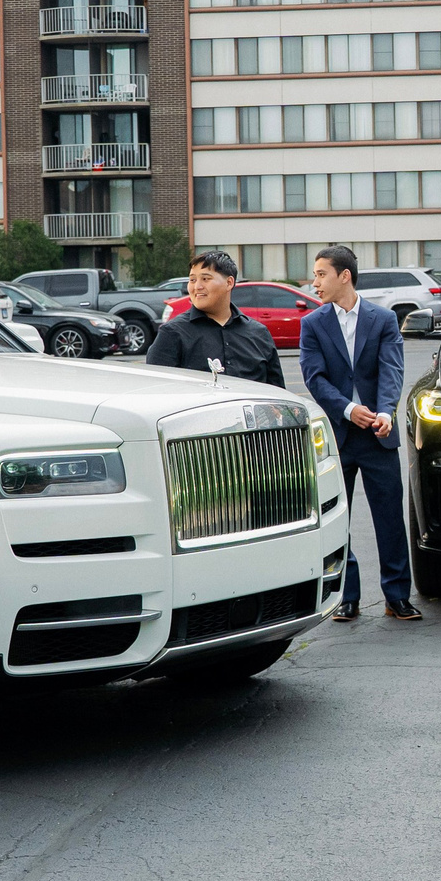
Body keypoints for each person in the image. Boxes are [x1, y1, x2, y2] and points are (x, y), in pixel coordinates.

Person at [300, 245, 419, 621]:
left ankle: (397, 595)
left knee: (389, 519)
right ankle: (346, 596)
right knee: (338, 520)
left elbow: (392, 370)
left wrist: (385, 411)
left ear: (344, 276)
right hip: (338, 436)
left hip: (379, 436)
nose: (314, 282)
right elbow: (314, 379)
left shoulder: (382, 319)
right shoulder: (313, 324)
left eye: (321, 274)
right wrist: (349, 410)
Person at [147, 250, 284, 386]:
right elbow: (157, 392)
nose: (197, 287)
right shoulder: (172, 333)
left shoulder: (258, 333)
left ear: (229, 283)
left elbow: (277, 394)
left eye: (205, 279)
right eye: (192, 280)